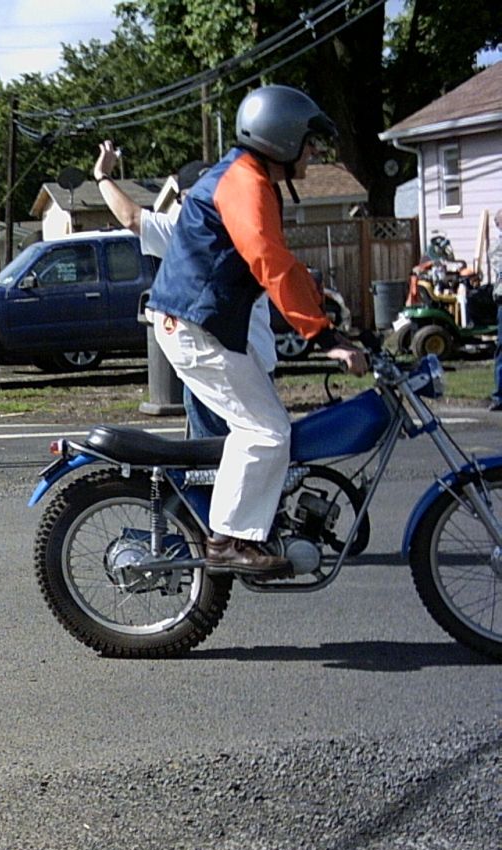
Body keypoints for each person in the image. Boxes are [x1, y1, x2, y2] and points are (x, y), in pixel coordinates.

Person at [145, 85, 368, 575]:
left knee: (261, 425)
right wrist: (323, 338)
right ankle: (227, 541)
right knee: (266, 430)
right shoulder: (245, 182)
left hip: (200, 324)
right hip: (194, 326)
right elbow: (269, 262)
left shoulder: (247, 178)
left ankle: (252, 526)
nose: (314, 152)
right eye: (309, 142)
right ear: (281, 138)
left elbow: (280, 263)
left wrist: (327, 321)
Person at [93, 140, 280, 439]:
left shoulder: (191, 227)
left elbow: (131, 217)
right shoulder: (209, 225)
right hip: (230, 360)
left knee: (240, 449)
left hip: (232, 360)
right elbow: (131, 217)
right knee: (256, 444)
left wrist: (102, 176)